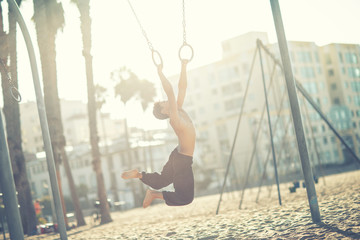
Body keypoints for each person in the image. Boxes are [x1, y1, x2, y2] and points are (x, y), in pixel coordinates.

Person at [122, 60, 196, 208]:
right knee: (185, 197)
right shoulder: (175, 118)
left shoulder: (178, 109)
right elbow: (170, 91)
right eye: (163, 102)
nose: (166, 100)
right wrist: (160, 72)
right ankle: (154, 194)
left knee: (163, 180)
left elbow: (182, 88)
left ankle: (139, 175)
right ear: (164, 111)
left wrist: (183, 66)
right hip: (182, 160)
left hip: (179, 156)